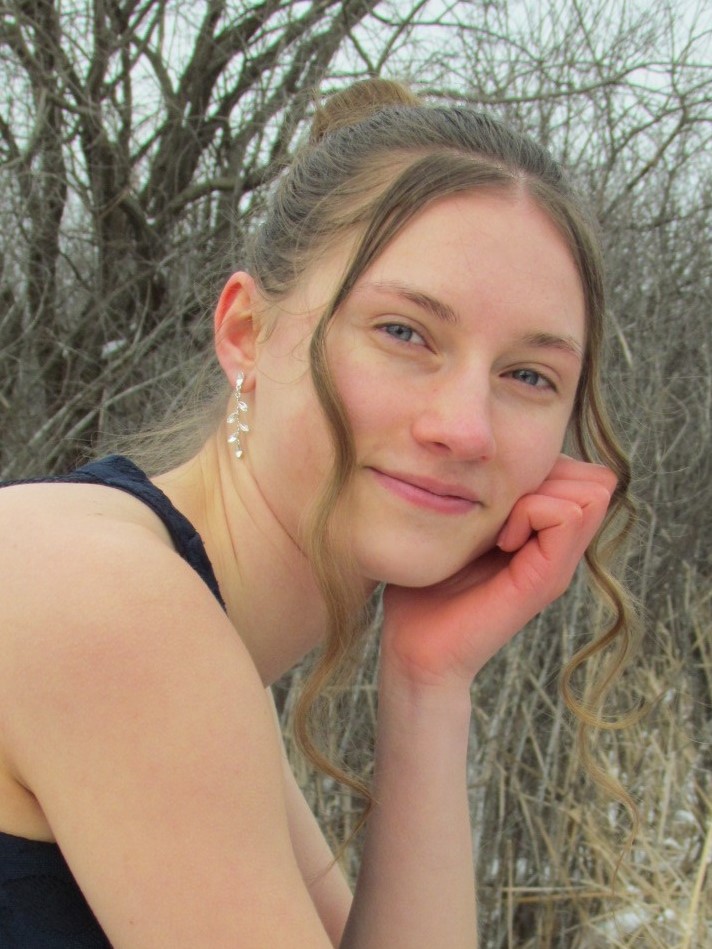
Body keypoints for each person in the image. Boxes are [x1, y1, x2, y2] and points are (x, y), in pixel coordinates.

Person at [0, 78, 635, 947]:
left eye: (529, 375)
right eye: (404, 332)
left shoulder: (206, 659)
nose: (466, 428)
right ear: (247, 333)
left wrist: (429, 683)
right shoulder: (107, 600)